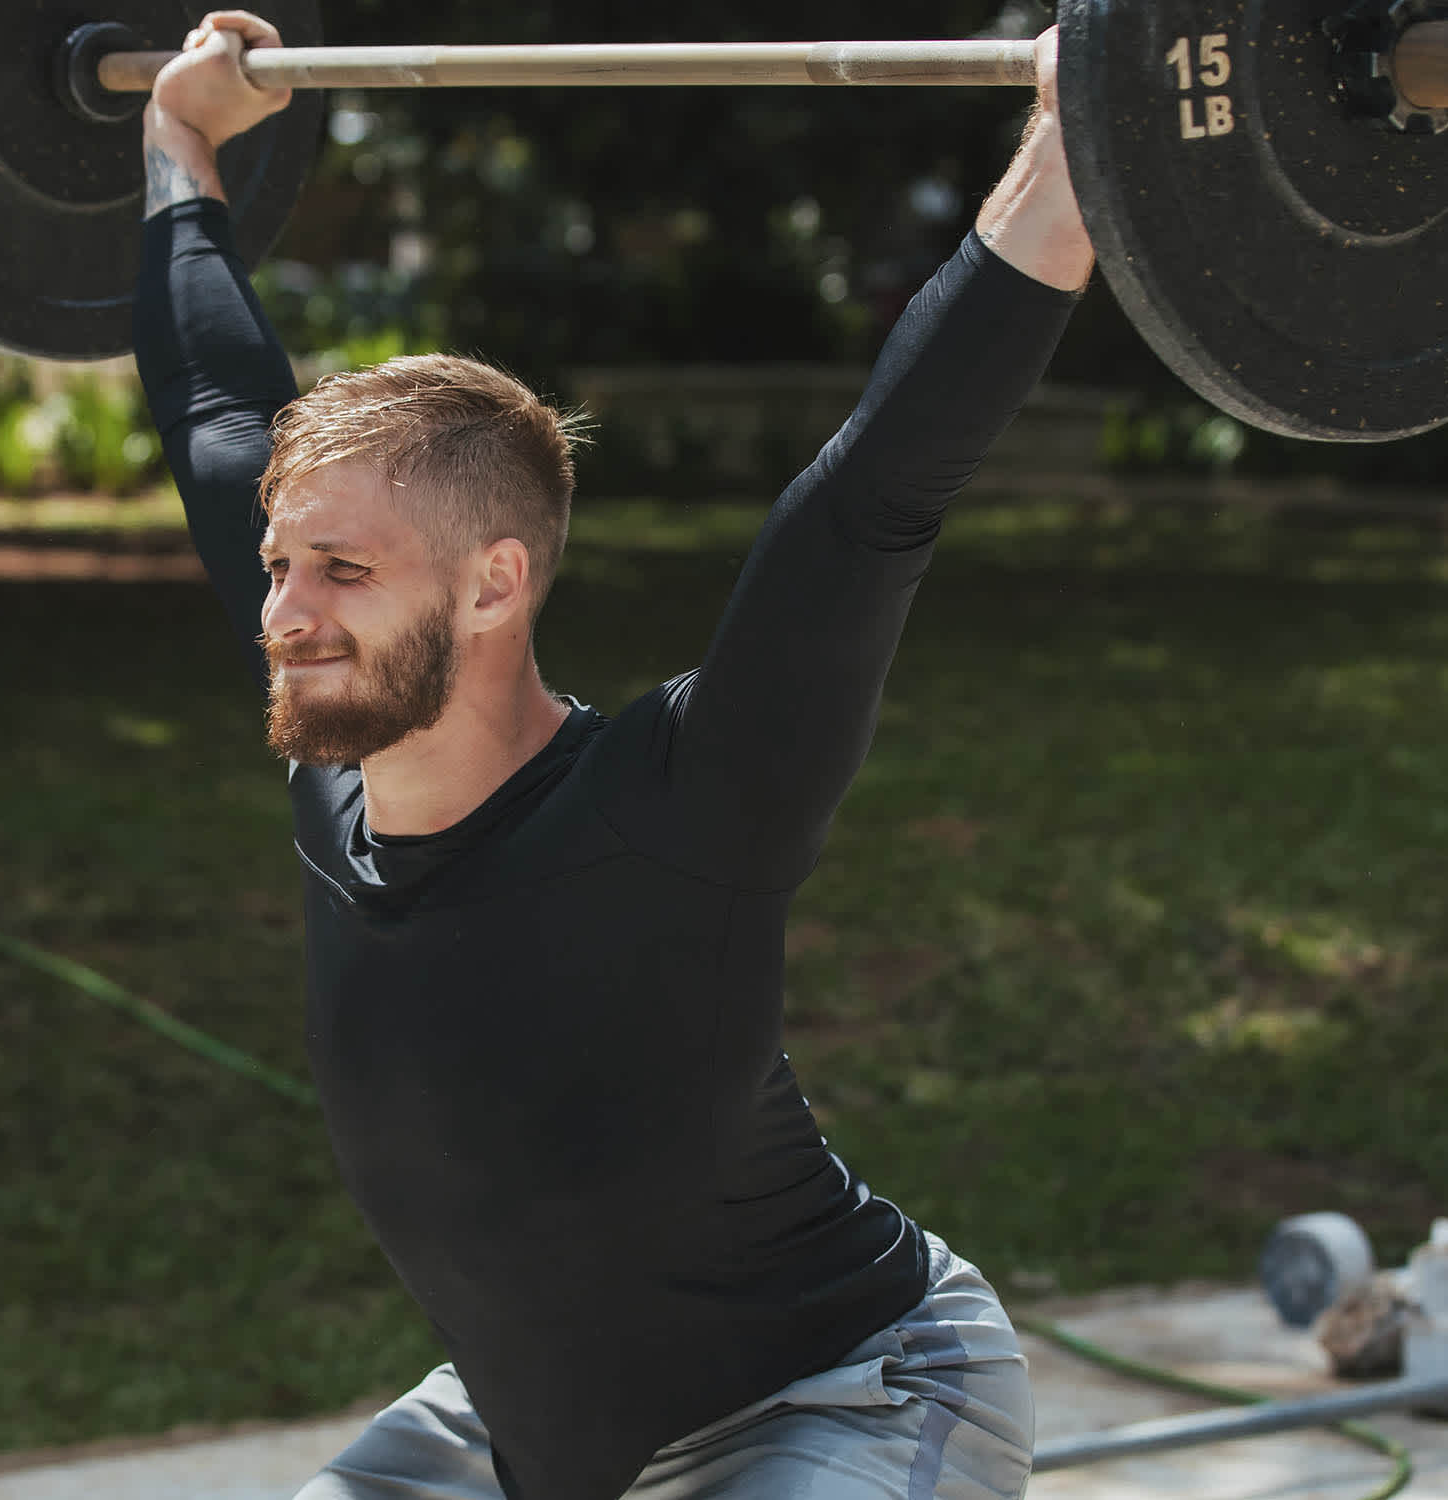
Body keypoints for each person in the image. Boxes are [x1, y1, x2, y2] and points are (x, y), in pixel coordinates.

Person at [134, 13, 1094, 1499]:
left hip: (848, 1395)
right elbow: (211, 405)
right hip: (529, 1437)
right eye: (276, 563)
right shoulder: (340, 765)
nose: (283, 613)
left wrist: (1086, 137)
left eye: (339, 569)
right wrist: (178, 143)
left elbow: (878, 491)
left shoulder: (683, 802)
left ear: (493, 584)